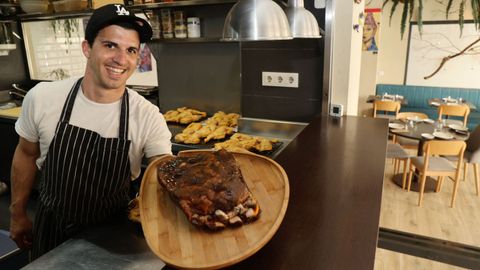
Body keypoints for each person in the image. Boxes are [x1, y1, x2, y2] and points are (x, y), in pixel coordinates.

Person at [9, 4, 172, 260]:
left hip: (114, 237)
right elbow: (26, 154)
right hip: (50, 230)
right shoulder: (43, 97)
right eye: (110, 46)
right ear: (87, 48)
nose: (121, 59)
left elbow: (164, 168)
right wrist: (17, 213)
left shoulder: (147, 115)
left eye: (131, 50)